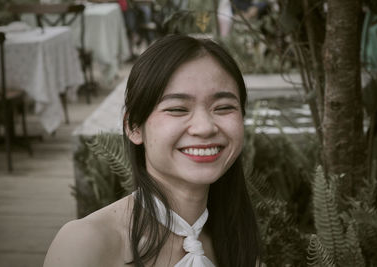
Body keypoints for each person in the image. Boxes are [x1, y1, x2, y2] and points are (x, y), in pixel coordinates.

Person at [43, 34, 261, 267]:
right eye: (178, 109)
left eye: (224, 107)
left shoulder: (237, 240)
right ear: (134, 126)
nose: (205, 127)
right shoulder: (86, 244)